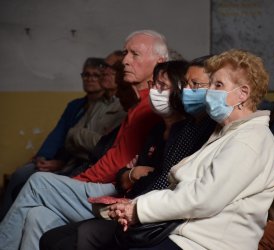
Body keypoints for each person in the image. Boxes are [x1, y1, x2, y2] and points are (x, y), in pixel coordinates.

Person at [0, 29, 166, 250]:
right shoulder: (137, 105)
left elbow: (117, 166)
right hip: (96, 183)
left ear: (160, 61)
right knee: (37, 216)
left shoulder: (152, 106)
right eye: (125, 53)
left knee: (38, 182)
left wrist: (77, 181)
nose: (125, 61)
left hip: (111, 191)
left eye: (135, 54)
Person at [106, 49, 274, 250]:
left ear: (242, 94)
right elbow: (186, 183)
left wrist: (139, 208)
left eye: (218, 85)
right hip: (185, 235)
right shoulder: (226, 132)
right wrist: (134, 205)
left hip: (207, 245)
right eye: (212, 83)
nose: (210, 92)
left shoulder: (251, 140)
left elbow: (203, 199)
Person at [39, 57, 218, 250]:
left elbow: (166, 179)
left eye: (194, 85)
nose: (187, 91)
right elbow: (124, 172)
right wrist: (131, 175)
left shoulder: (204, 129)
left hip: (157, 213)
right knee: (47, 230)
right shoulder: (163, 129)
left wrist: (133, 200)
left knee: (38, 184)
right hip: (133, 200)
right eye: (185, 84)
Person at [0, 57, 105, 221]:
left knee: (25, 179)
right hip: (58, 158)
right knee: (20, 174)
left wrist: (61, 163)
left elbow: (89, 146)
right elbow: (58, 134)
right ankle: (4, 222)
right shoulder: (75, 105)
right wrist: (42, 157)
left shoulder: (107, 107)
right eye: (86, 74)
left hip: (75, 164)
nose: (90, 79)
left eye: (96, 75)